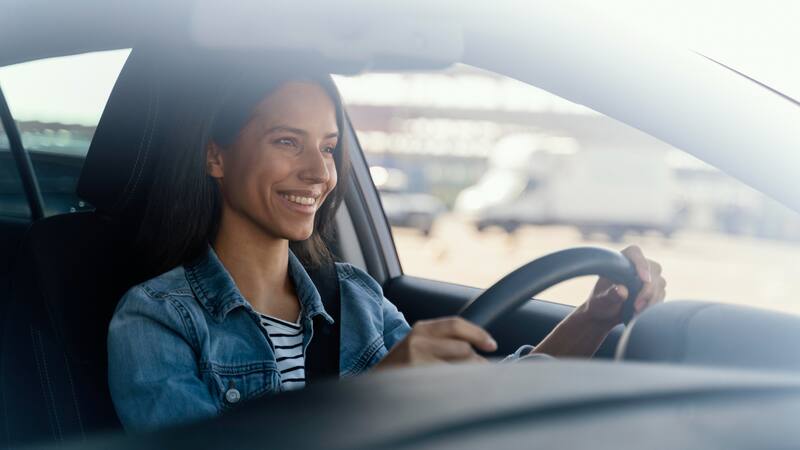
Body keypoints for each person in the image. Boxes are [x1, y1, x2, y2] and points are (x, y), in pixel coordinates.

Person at [107, 62, 666, 432]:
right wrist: (376, 391)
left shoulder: (356, 296)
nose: (317, 172)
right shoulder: (156, 320)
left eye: (328, 148)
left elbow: (489, 399)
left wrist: (595, 318)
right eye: (286, 142)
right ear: (216, 157)